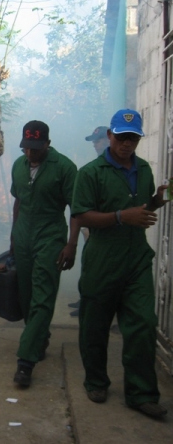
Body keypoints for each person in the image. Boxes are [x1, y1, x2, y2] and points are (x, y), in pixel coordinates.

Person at [72, 109, 169, 418]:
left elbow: (141, 207)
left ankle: (141, 393)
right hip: (103, 260)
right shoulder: (90, 173)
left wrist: (156, 201)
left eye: (133, 138)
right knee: (95, 326)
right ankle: (96, 380)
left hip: (136, 260)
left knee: (143, 324)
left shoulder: (143, 169)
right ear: (110, 136)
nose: (127, 144)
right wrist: (119, 217)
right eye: (122, 137)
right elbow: (81, 215)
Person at [10, 120, 80, 386]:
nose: (30, 154)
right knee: (26, 296)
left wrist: (71, 244)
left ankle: (25, 362)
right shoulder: (19, 165)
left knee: (42, 297)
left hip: (50, 238)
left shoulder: (64, 168)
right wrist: (13, 236)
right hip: (23, 236)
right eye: (26, 148)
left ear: (47, 145)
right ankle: (39, 337)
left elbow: (77, 210)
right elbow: (18, 201)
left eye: (36, 149)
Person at [69, 125, 110, 317]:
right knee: (88, 265)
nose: (95, 143)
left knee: (99, 271)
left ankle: (92, 305)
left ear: (110, 139)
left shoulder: (113, 167)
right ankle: (85, 300)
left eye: (99, 139)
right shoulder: (95, 165)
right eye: (94, 140)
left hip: (107, 230)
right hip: (92, 226)